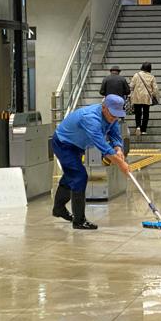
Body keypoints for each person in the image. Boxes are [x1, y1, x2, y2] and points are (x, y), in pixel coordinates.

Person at [51, 95, 130, 230]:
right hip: (63, 144)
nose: (114, 118)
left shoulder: (112, 116)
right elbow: (101, 145)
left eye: (118, 115)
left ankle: (58, 208)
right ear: (104, 108)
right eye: (113, 114)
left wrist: (119, 149)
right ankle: (79, 221)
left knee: (71, 175)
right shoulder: (91, 118)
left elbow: (115, 135)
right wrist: (120, 163)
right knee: (79, 176)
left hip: (77, 146)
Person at [129, 62, 159, 136]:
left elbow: (131, 86)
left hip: (137, 96)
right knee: (146, 113)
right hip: (147, 97)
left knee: (138, 113)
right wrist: (154, 95)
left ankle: (138, 126)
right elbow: (155, 88)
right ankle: (144, 130)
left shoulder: (136, 75)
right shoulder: (151, 77)